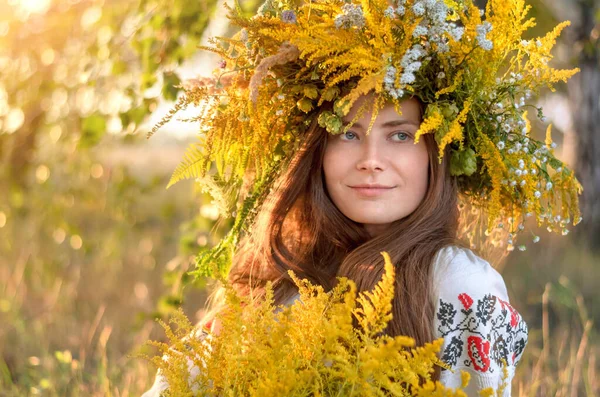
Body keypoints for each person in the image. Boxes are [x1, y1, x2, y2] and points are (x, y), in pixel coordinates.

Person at [144, 0, 580, 395]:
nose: (371, 160)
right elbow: (174, 385)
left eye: (401, 136)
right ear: (317, 150)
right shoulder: (282, 272)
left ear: (438, 152)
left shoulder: (460, 286)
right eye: (347, 133)